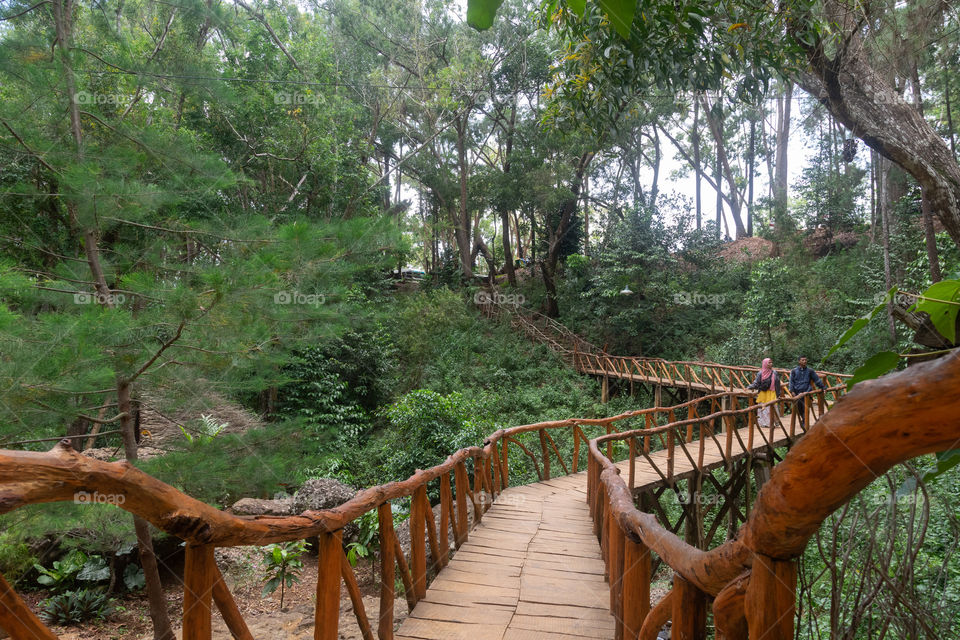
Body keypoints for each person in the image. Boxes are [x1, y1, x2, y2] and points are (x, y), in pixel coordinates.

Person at [788, 356, 825, 427]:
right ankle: (803, 420)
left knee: (806, 408)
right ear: (799, 361)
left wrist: (822, 387)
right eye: (802, 360)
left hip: (807, 392)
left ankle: (805, 423)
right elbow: (791, 382)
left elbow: (817, 380)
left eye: (805, 360)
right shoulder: (794, 371)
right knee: (799, 409)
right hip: (797, 393)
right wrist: (792, 391)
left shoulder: (810, 371)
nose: (804, 361)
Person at [747, 357, 781, 427]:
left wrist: (778, 393)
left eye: (771, 362)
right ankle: (765, 423)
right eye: (769, 362)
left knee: (773, 407)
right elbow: (756, 383)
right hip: (763, 393)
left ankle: (773, 422)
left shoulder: (774, 373)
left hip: (772, 392)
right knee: (764, 408)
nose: (771, 364)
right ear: (765, 364)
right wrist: (749, 387)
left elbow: (778, 384)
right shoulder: (760, 373)